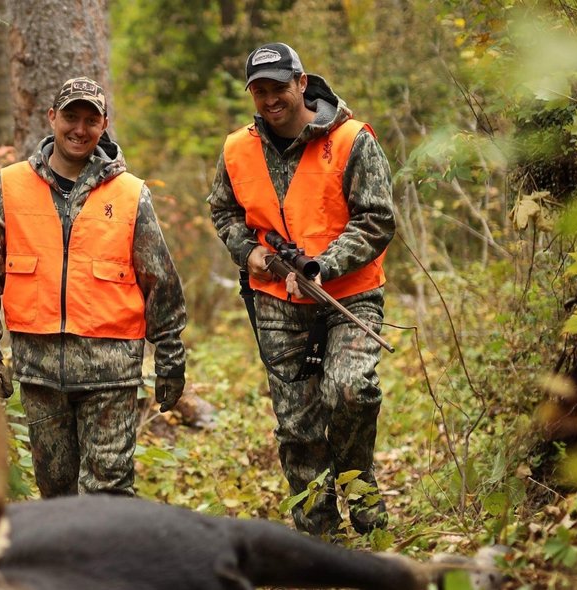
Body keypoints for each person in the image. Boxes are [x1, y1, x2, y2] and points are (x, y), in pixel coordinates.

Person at [0, 77, 187, 498]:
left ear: (104, 125)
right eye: (70, 117)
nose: (79, 129)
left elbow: (160, 280)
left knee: (109, 491)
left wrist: (171, 358)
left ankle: (107, 565)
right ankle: (63, 565)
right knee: (56, 493)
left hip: (112, 371)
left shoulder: (130, 193)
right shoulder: (9, 186)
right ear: (52, 118)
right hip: (40, 373)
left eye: (91, 119)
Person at [207, 42, 394, 537]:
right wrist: (250, 255)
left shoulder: (353, 140)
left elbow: (377, 220)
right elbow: (223, 212)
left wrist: (323, 266)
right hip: (274, 299)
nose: (270, 99)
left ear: (302, 83)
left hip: (349, 293)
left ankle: (361, 491)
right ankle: (318, 532)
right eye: (260, 90)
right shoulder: (236, 148)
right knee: (297, 424)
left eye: (279, 87)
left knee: (351, 390)